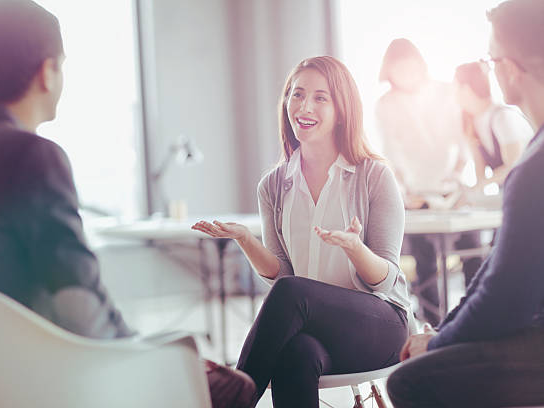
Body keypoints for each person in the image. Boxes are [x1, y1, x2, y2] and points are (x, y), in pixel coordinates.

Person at [0, 1, 254, 407]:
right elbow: (81, 306)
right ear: (47, 72)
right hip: (30, 380)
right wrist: (145, 352)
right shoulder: (32, 156)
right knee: (233, 385)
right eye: (62, 65)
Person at [192, 56, 412, 408]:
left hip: (381, 325)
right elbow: (284, 272)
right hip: (317, 329)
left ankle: (232, 396)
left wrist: (356, 249)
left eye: (320, 97)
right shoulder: (274, 185)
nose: (304, 106)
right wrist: (245, 239)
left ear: (342, 109)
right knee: (296, 352)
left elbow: (385, 281)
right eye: (297, 95)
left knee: (291, 293)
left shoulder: (373, 176)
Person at [387, 1, 544, 406]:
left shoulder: (532, 167)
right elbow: (496, 270)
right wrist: (445, 332)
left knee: (409, 380)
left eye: (490, 60)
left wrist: (438, 343)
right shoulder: (533, 155)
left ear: (509, 69)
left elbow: (506, 300)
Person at [376, 38, 483, 325]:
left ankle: (476, 317)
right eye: (399, 69)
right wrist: (403, 190)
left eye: (410, 67)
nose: (407, 75)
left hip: (452, 187)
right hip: (416, 194)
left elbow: (464, 139)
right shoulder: (386, 104)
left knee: (472, 252)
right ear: (389, 71)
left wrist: (460, 175)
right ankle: (433, 322)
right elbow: (390, 153)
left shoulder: (448, 92)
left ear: (421, 64)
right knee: (425, 264)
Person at [454, 61, 532, 198]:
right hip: (510, 194)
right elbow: (480, 171)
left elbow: (513, 166)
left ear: (465, 89)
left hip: (530, 192)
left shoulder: (502, 117)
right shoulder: (471, 123)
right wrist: (473, 195)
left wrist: (480, 185)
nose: (453, 95)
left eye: (455, 88)